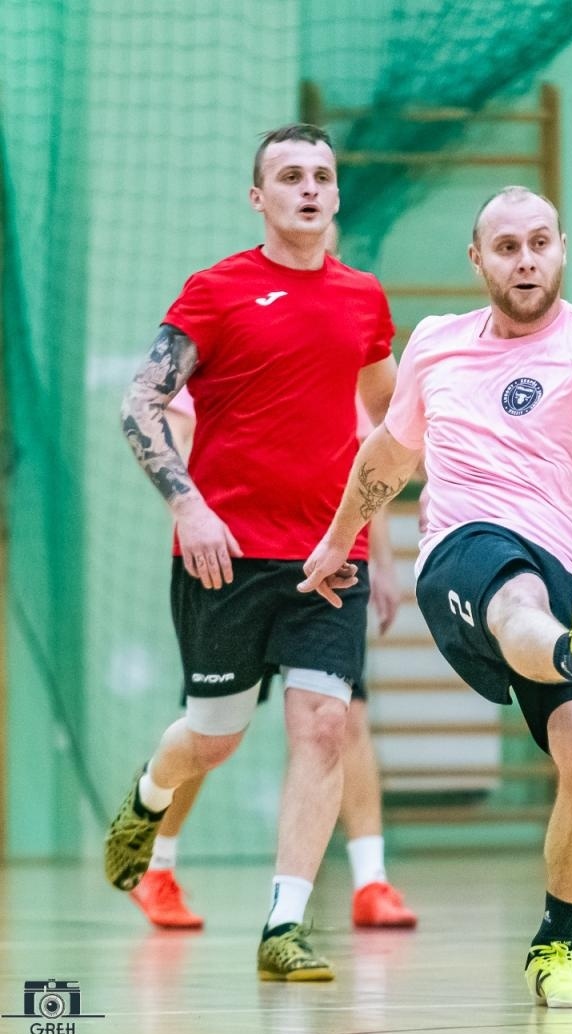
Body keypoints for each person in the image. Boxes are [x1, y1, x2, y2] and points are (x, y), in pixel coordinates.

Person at [300, 185, 572, 1008]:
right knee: (515, 592)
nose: (526, 260)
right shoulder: (437, 345)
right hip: (464, 549)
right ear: (478, 259)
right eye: (507, 246)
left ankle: (553, 949)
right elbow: (387, 453)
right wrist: (338, 537)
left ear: (561, 248)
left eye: (539, 244)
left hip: (570, 563)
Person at [108, 123, 396, 981]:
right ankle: (148, 799)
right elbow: (139, 402)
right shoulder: (217, 291)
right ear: (258, 197)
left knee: (323, 727)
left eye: (322, 176)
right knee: (215, 737)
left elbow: (382, 431)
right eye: (289, 176)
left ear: (336, 195)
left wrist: (367, 536)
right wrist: (188, 504)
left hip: (327, 559)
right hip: (224, 556)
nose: (308, 188)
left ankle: (284, 924)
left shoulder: (365, 301)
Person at [128, 387, 417, 932]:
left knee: (342, 718)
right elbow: (171, 434)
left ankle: (369, 880)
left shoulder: (339, 373)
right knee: (209, 736)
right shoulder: (225, 355)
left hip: (321, 571)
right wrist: (197, 511)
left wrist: (381, 563)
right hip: (235, 568)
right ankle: (157, 867)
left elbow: (367, 473)